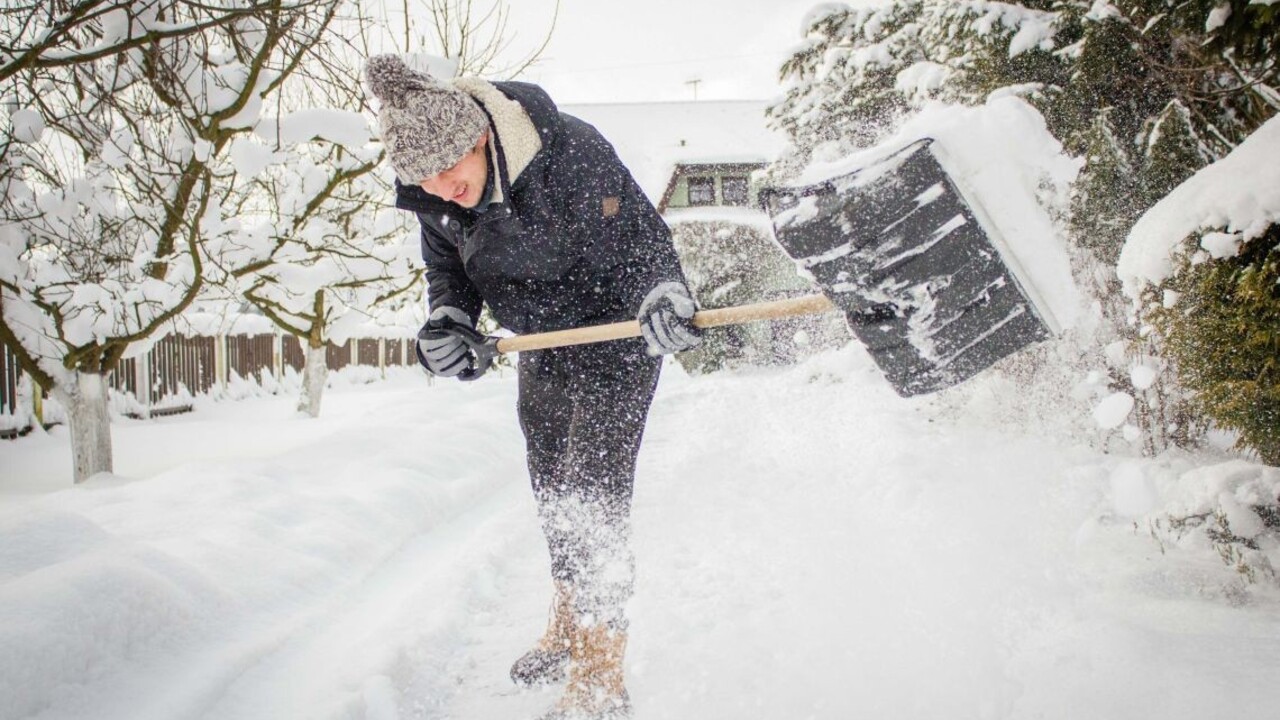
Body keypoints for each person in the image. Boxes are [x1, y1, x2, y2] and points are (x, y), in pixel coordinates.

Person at [364, 54, 702, 720]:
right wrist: (449, 321)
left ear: (478, 137)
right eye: (424, 180)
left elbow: (640, 238)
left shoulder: (567, 151)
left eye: (448, 169)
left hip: (614, 335)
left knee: (592, 493)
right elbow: (447, 272)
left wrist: (664, 291)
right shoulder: (437, 195)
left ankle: (600, 671)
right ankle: (570, 622)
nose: (441, 189)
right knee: (553, 489)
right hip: (541, 345)